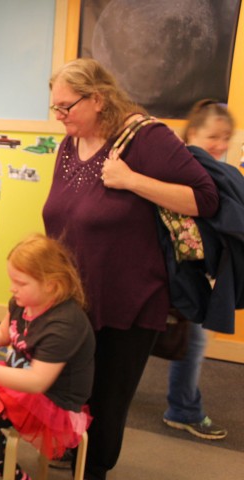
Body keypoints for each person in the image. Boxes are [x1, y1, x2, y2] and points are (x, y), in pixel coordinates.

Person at [43, 58, 219, 480]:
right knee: (72, 391)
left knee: (107, 401)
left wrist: (132, 180)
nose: (60, 117)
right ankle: (76, 454)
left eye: (67, 107)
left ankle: (96, 470)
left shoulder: (146, 139)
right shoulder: (70, 143)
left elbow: (205, 199)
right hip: (74, 299)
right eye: (55, 108)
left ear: (98, 99)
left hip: (127, 300)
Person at [0, 233, 95, 480]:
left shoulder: (65, 323)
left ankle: (12, 474)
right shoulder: (23, 302)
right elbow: (3, 333)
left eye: (20, 283)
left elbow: (37, 381)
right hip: (19, 383)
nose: (12, 288)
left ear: (51, 285)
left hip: (51, 401)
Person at [162, 99, 235, 440]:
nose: (220, 145)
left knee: (190, 338)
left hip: (188, 269)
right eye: (214, 136)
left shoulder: (204, 169)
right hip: (176, 269)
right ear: (193, 132)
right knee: (192, 340)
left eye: (227, 138)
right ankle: (183, 409)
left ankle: (183, 405)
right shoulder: (187, 168)